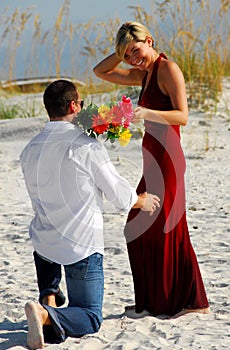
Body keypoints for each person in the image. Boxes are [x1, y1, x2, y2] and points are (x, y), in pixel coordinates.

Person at [19, 79, 160, 349]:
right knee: (91, 317)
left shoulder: (30, 149)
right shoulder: (87, 146)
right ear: (74, 105)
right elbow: (118, 194)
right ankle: (44, 313)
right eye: (81, 103)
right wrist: (140, 199)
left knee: (47, 249)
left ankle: (48, 298)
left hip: (44, 243)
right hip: (80, 246)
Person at [93, 21, 210, 318]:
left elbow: (183, 116)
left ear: (150, 40)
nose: (134, 59)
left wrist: (148, 112)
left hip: (168, 158)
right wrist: (122, 53)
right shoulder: (142, 74)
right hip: (152, 159)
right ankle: (160, 301)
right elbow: (100, 72)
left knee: (161, 227)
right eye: (128, 56)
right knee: (143, 226)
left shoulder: (168, 69)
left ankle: (183, 303)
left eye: (136, 51)